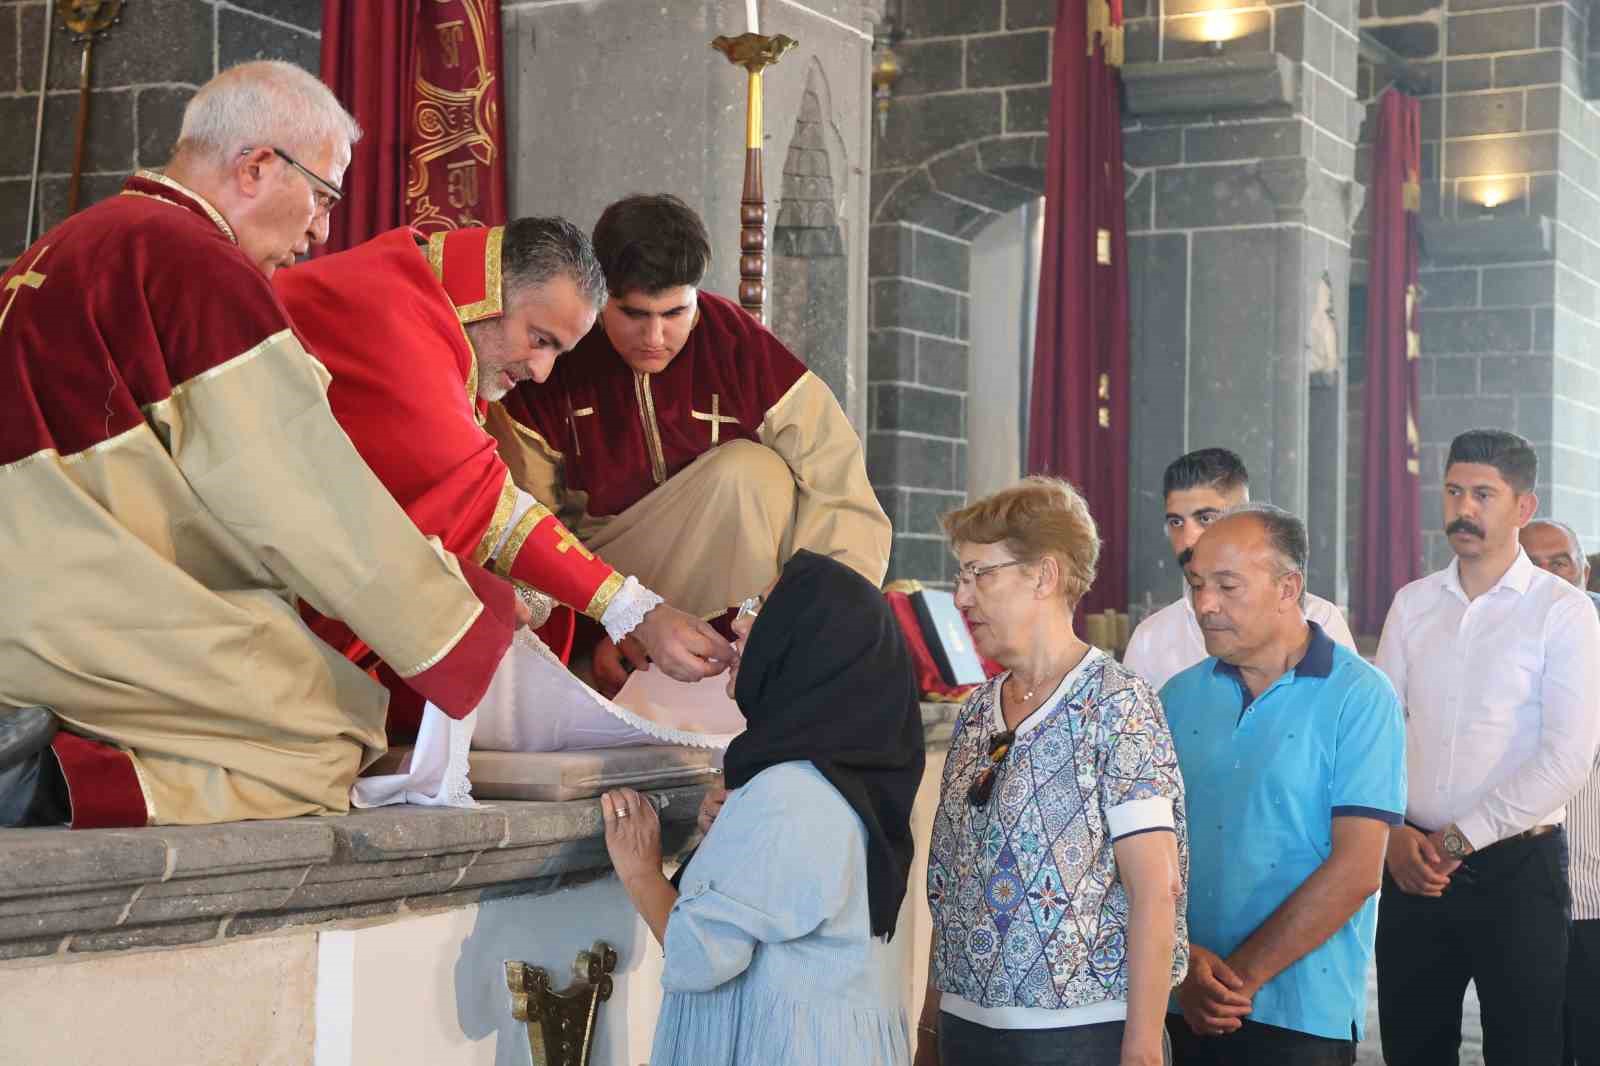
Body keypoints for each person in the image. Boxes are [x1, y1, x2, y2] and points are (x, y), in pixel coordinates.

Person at [0, 61, 518, 828]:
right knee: (328, 730)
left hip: (37, 587)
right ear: (255, 167)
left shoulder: (69, 242)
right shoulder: (194, 265)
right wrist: (460, 624)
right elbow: (295, 494)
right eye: (323, 196)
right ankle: (46, 787)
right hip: (68, 606)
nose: (321, 231)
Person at [274, 218, 736, 757]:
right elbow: (480, 498)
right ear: (489, 292)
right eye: (539, 341)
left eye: (558, 353)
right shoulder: (393, 315)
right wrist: (635, 610)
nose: (542, 372)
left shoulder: (426, 296)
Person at [489, 194, 891, 683]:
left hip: (740, 601)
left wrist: (805, 621)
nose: (655, 337)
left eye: (675, 313)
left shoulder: (738, 346)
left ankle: (755, 667)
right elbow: (526, 521)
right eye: (634, 314)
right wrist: (606, 628)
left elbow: (842, 492)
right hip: (603, 581)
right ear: (599, 296)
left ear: (696, 295)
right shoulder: (559, 357)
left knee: (754, 474)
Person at [599, 550, 925, 1066]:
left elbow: (698, 955)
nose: (742, 621)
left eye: (762, 606)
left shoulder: (791, 794)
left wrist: (641, 872)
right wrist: (727, 836)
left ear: (807, 643)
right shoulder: (838, 775)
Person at [915, 477, 1187, 1066]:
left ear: (1043, 575)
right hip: (967, 1026)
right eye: (960, 575)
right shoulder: (975, 713)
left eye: (978, 573)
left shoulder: (1117, 704)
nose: (961, 597)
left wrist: (1142, 1047)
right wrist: (931, 1026)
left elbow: (1156, 888)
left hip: (1078, 1036)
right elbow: (955, 883)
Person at [1375, 429, 1600, 1066]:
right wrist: (1392, 833)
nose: (1463, 510)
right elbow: (1378, 735)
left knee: (1526, 1050)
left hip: (1518, 873)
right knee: (1413, 1048)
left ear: (1522, 508)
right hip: (1411, 865)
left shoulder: (1563, 611)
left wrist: (1456, 841)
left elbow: (1565, 758)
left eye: (1482, 494)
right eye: (1453, 492)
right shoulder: (1413, 605)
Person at [1161, 504, 1405, 1066]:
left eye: (1227, 586)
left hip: (1300, 1013)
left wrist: (1233, 983)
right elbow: (1146, 852)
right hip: (1179, 997)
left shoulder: (1359, 697)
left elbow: (1357, 870)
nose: (1205, 605)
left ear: (1287, 587)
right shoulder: (1176, 697)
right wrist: (1186, 963)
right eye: (1196, 584)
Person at [1124, 448, 1354, 692]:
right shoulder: (1150, 639)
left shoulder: (1320, 620)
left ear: (1245, 516)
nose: (1189, 540)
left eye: (1205, 519)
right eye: (1176, 523)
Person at [1518, 520, 1600, 1066]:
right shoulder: (1494, 648)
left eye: (1561, 563)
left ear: (1584, 570)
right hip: (1520, 893)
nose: (1550, 577)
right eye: (1535, 565)